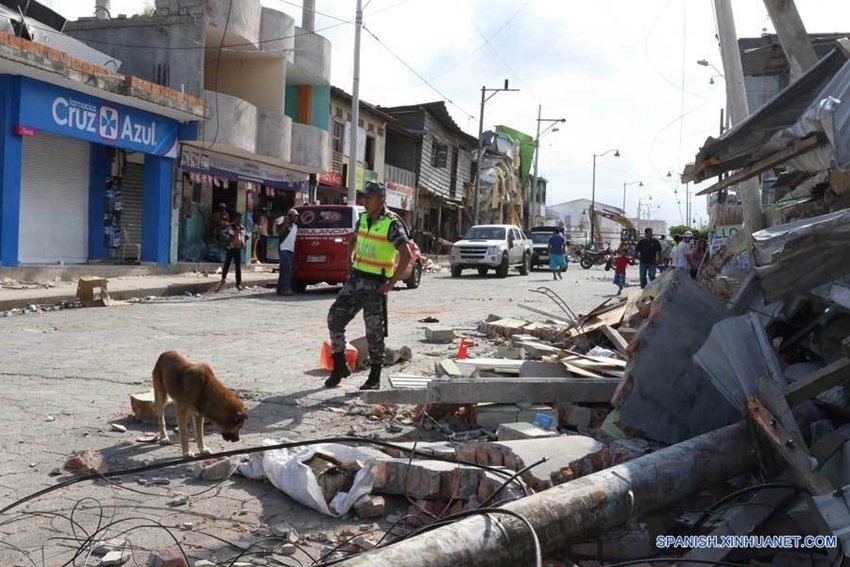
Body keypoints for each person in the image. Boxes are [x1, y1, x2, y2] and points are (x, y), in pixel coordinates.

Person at [325, 182, 413, 391]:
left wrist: (390, 284)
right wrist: (349, 260)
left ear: (381, 200)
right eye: (364, 197)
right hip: (356, 280)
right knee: (334, 319)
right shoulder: (363, 218)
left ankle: (374, 377)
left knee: (374, 332)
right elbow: (353, 239)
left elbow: (407, 254)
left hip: (375, 285)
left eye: (369, 197)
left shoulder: (391, 224)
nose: (365, 201)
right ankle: (339, 365)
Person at [217, 212, 246, 291]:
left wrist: (245, 238)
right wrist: (229, 238)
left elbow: (245, 236)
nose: (240, 220)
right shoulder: (230, 227)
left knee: (238, 266)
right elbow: (222, 233)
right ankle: (223, 278)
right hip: (230, 248)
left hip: (238, 248)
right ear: (235, 218)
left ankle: (238, 284)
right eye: (239, 218)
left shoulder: (242, 227)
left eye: (241, 218)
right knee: (227, 263)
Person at [276, 209, 299, 296]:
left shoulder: (295, 226)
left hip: (291, 250)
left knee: (284, 270)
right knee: (286, 270)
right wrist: (285, 223)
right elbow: (280, 233)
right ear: (290, 216)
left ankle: (280, 289)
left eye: (297, 216)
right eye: (295, 216)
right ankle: (285, 289)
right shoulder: (285, 225)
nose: (296, 217)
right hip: (284, 249)